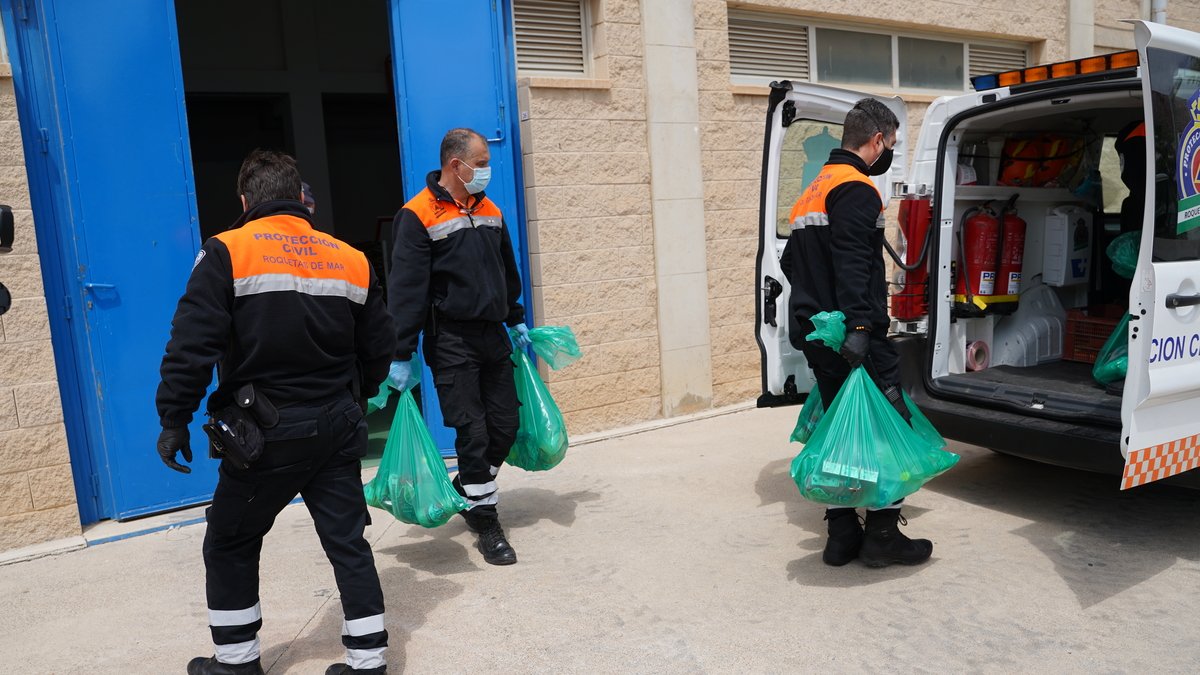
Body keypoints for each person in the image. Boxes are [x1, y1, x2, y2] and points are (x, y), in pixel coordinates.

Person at [155, 149, 394, 675]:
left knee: (231, 539)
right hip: (337, 424)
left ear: (246, 200)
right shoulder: (350, 257)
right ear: (301, 198)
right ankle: (369, 660)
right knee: (348, 542)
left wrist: (174, 417)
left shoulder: (227, 251)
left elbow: (192, 345)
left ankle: (237, 663)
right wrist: (359, 396)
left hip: (265, 433)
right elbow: (380, 345)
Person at [780, 99, 933, 568]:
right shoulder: (856, 187)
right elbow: (853, 261)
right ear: (878, 139)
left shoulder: (814, 189)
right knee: (889, 428)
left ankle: (842, 535)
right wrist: (863, 327)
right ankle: (883, 536)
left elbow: (792, 263)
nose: (889, 151)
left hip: (819, 334)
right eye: (891, 143)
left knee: (839, 430)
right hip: (853, 335)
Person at [386, 128, 529, 566]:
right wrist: (401, 350)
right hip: (450, 339)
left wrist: (516, 316)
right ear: (456, 164)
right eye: (481, 161)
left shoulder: (489, 210)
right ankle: (486, 520)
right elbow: (407, 288)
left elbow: (506, 271)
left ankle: (470, 489)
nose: (486, 169)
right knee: (473, 430)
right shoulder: (417, 215)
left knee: (504, 426)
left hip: (492, 334)